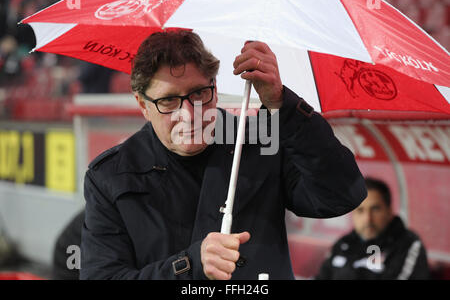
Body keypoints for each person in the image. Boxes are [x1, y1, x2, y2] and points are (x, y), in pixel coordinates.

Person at [80, 30, 367, 280]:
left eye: (198, 94)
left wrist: (283, 105)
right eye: (168, 100)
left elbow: (341, 195)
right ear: (142, 104)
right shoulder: (110, 175)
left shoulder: (259, 140)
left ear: (215, 90)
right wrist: (189, 266)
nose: (188, 114)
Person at [316, 177, 430, 280]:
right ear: (352, 215)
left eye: (375, 209)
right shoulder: (343, 244)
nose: (368, 219)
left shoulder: (408, 244)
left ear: (389, 211)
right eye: (360, 211)